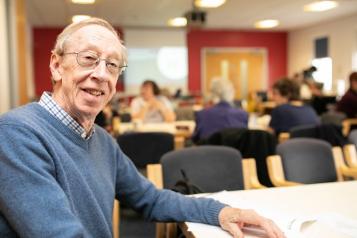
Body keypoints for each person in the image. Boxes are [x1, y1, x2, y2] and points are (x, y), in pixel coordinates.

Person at [0, 18, 284, 238]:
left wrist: (222, 213)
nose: (101, 74)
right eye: (88, 58)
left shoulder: (102, 140)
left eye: (112, 65)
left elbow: (150, 198)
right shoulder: (16, 133)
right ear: (56, 65)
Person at [192, 78, 248, 143]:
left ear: (212, 93)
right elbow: (244, 140)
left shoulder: (202, 114)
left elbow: (196, 139)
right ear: (231, 93)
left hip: (208, 152)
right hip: (234, 152)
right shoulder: (243, 114)